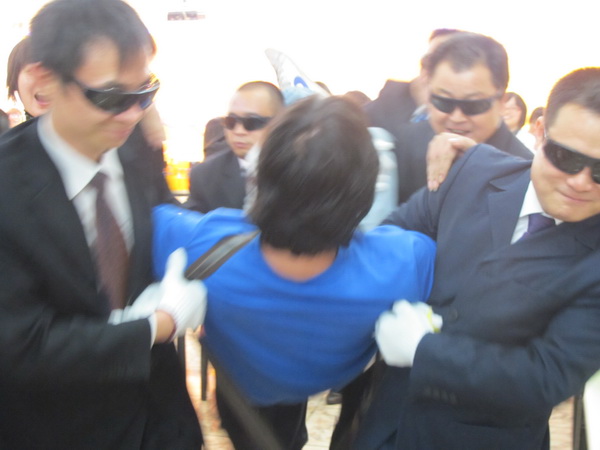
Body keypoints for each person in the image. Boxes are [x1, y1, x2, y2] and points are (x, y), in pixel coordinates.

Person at [153, 95, 437, 449]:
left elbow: (139, 218)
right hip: (331, 379)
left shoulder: (201, 242)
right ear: (364, 189)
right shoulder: (402, 263)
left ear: (258, 176)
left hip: (244, 386)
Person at [351, 67, 600, 449]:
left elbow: (545, 376)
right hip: (388, 421)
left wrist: (424, 350)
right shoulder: (473, 169)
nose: (580, 182)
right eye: (565, 157)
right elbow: (393, 238)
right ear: (540, 133)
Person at [0, 0, 205, 448]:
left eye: (145, 93)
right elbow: (22, 345)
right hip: (55, 426)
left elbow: (159, 233)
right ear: (43, 80)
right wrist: (156, 325)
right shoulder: (8, 188)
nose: (132, 114)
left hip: (158, 420)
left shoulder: (136, 150)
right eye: (111, 96)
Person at [391, 32, 533, 204]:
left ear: (501, 102)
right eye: (444, 102)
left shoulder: (523, 171)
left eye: (473, 105)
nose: (457, 117)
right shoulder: (404, 144)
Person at [7, 35, 167, 148]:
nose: (46, 82)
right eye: (35, 71)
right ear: (15, 81)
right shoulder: (10, 154)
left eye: (55, 72)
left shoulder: (119, 135)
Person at [185, 81, 284, 213]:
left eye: (252, 122)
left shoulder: (301, 170)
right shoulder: (205, 176)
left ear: (278, 123)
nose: (239, 131)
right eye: (231, 121)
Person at [364, 28, 463, 129]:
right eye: (429, 60)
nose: (430, 66)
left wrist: (430, 107)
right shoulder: (393, 98)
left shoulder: (467, 112)